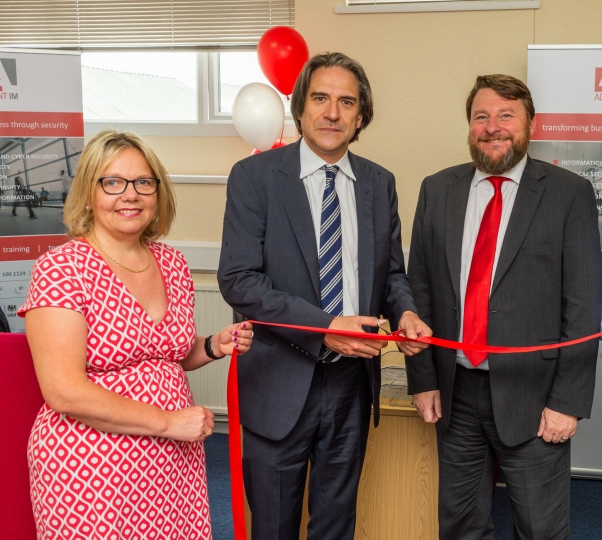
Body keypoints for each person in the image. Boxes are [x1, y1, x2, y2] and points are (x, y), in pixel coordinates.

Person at [217, 52, 431, 540]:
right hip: (278, 381)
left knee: (336, 526)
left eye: (346, 102)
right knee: (273, 527)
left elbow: (391, 274)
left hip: (352, 385)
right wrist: (325, 329)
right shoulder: (255, 178)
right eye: (320, 98)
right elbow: (239, 281)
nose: (332, 112)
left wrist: (408, 311)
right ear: (300, 108)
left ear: (361, 117)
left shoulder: (379, 183)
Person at [18, 130, 254, 540]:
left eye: (143, 182)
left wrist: (214, 346)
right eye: (113, 182)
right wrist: (167, 422)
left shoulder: (172, 263)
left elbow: (167, 355)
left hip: (172, 461)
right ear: (89, 192)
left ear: (158, 192)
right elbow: (64, 392)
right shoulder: (62, 268)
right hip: (92, 465)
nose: (130, 195)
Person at [406, 74, 602, 539]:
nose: (492, 126)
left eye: (505, 115)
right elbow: (420, 290)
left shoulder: (568, 194)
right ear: (470, 126)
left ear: (530, 124)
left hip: (535, 398)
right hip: (455, 395)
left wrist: (567, 402)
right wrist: (425, 379)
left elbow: (582, 303)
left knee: (540, 529)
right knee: (459, 526)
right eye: (481, 116)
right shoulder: (438, 189)